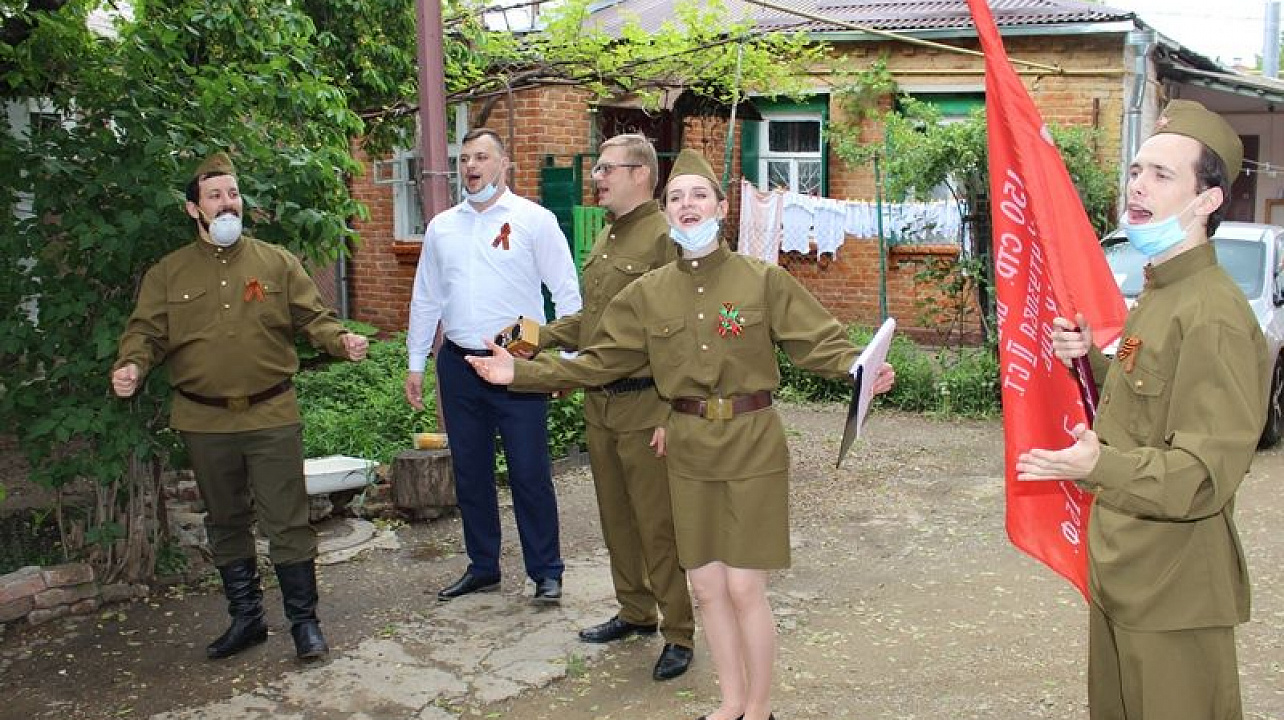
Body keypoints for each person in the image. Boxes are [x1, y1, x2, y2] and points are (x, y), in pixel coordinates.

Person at [465, 149, 895, 720]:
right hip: (689, 447)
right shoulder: (647, 294)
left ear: (721, 207)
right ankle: (730, 703)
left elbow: (820, 342)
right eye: (676, 198)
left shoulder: (761, 280)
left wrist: (863, 368)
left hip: (752, 444)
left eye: (698, 195)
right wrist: (521, 373)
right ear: (666, 211)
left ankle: (759, 709)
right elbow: (598, 360)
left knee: (744, 589)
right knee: (708, 589)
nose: (687, 205)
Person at [1016, 100, 1268, 720]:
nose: (1137, 186)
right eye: (1135, 170)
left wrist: (1096, 466)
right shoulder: (1159, 294)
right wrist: (1088, 360)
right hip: (1125, 572)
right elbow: (1139, 398)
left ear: (1207, 200)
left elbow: (1202, 476)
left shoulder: (1213, 314)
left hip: (1175, 590)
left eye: (1161, 174)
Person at [111, 151, 369, 661]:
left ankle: (304, 625)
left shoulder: (276, 261)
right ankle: (246, 619)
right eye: (215, 196)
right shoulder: (168, 273)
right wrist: (132, 365)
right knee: (225, 520)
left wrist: (341, 341)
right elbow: (145, 332)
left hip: (272, 414)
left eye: (233, 194)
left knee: (287, 520)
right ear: (194, 209)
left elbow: (313, 317)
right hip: (203, 420)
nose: (227, 203)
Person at [534, 134, 694, 680]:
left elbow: (680, 331)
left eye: (606, 169)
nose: (596, 177)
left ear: (641, 173)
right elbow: (595, 321)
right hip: (600, 403)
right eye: (597, 168)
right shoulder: (607, 235)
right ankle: (635, 610)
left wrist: (674, 411)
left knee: (657, 525)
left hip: (646, 403)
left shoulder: (664, 238)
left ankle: (679, 631)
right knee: (616, 519)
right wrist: (535, 336)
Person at [404, 128, 582, 604]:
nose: (471, 166)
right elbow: (426, 297)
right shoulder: (442, 227)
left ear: (505, 164)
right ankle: (483, 566)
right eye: (464, 158)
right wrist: (416, 362)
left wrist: (567, 363)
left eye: (481, 157)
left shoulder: (535, 220)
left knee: (529, 471)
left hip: (517, 360)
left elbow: (566, 292)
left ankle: (546, 570)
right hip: (459, 363)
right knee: (470, 471)